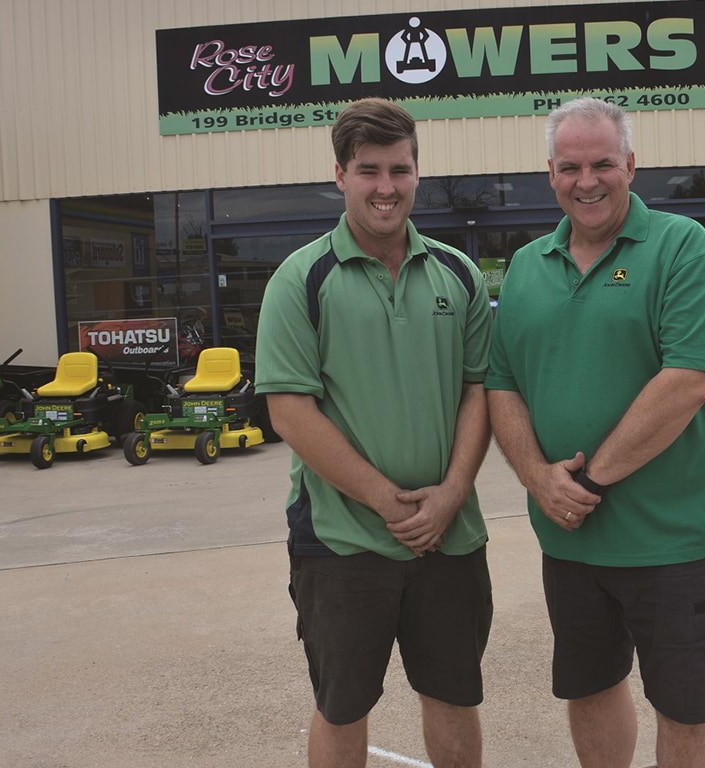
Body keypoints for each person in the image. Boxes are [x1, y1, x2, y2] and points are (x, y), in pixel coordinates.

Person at [485, 97, 705, 768]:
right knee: (590, 687)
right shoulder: (529, 266)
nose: (586, 180)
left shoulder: (681, 247)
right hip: (571, 541)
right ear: (550, 174)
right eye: (570, 166)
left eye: (602, 163)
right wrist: (538, 479)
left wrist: (586, 482)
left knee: (685, 707)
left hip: (671, 538)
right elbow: (501, 381)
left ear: (631, 164)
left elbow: (688, 380)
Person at [255, 97, 493, 768]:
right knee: (343, 704)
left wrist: (450, 493)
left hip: (450, 537)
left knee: (453, 697)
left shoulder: (461, 275)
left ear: (417, 171)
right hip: (341, 541)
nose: (385, 187)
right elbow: (290, 412)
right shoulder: (300, 281)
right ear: (340, 174)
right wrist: (388, 502)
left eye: (399, 169)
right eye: (368, 171)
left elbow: (480, 389)